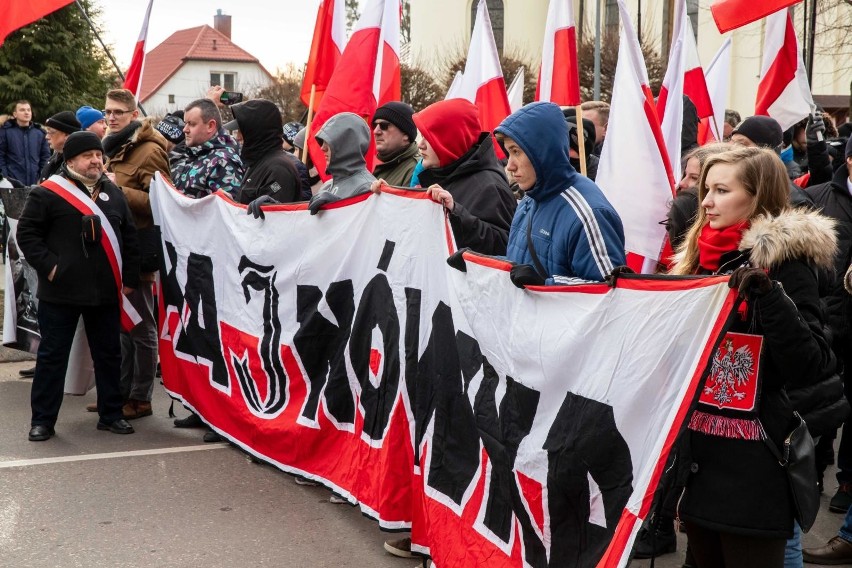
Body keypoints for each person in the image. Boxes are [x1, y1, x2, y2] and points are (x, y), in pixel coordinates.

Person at [670, 146, 837, 568]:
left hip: (756, 467)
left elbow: (812, 363)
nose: (705, 201)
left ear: (757, 198)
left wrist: (771, 296)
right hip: (701, 461)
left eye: (721, 190)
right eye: (706, 189)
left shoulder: (785, 264)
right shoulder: (700, 257)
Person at [16, 131, 140, 441]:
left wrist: (130, 280)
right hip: (61, 292)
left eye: (98, 155)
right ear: (71, 161)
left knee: (109, 355)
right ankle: (43, 420)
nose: (96, 160)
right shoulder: (47, 193)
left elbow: (130, 237)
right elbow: (28, 236)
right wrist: (53, 268)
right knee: (53, 357)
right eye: (88, 156)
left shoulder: (114, 193)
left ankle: (111, 414)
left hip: (105, 291)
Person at [494, 101, 626, 285]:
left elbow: (609, 292)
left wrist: (545, 284)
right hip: (527, 313)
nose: (510, 165)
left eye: (516, 151)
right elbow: (519, 263)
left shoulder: (589, 213)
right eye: (508, 153)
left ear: (542, 150)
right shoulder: (529, 198)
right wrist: (477, 266)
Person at [102, 88, 171, 421]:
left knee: (141, 326)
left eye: (118, 112)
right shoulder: (113, 146)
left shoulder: (150, 150)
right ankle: (122, 392)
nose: (111, 117)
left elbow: (161, 204)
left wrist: (116, 188)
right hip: (116, 248)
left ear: (133, 114)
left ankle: (141, 398)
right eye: (108, 112)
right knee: (123, 325)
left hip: (139, 248)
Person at [807, 137, 852, 515]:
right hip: (829, 320)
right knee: (822, 400)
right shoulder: (819, 196)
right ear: (850, 161)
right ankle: (814, 465)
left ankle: (848, 481)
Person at [409, 98, 516, 255]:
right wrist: (386, 198)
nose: (420, 144)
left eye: (429, 137)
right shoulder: (445, 172)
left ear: (449, 140)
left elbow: (504, 246)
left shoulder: (489, 186)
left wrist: (455, 212)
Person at [229, 99, 300, 208]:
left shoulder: (278, 169)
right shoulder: (257, 162)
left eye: (242, 131)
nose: (237, 137)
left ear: (255, 131)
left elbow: (274, 218)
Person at [303, 112, 376, 216]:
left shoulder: (366, 187)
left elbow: (364, 229)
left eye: (328, 142)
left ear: (346, 145)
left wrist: (340, 207)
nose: (322, 148)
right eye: (322, 142)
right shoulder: (327, 186)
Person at [170, 98, 243, 199]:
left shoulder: (224, 161)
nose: (185, 129)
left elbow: (227, 210)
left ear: (210, 126)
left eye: (191, 124)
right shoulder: (190, 152)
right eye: (185, 123)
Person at [0, 100, 50, 185]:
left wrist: (42, 178)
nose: (26, 112)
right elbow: (0, 157)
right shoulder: (5, 132)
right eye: (22, 110)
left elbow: (45, 158)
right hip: (11, 184)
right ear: (15, 114)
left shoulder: (40, 133)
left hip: (36, 184)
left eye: (28, 110)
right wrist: (5, 179)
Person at [372, 101, 420, 187]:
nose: (376, 131)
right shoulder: (389, 165)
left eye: (384, 126)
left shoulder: (417, 170)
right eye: (374, 125)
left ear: (405, 134)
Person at [40, 111, 81, 182]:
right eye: (47, 132)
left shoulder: (77, 162)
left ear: (67, 135)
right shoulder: (55, 158)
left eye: (51, 132)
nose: (47, 137)